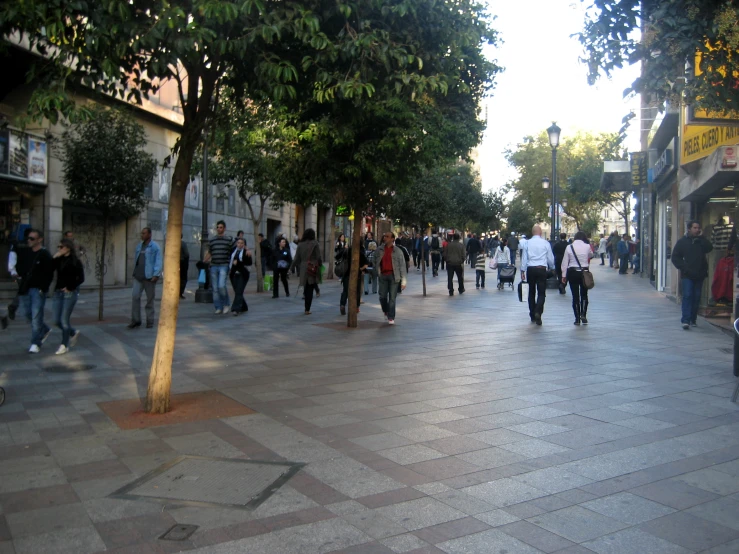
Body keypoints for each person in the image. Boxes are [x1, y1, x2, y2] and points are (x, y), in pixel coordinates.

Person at [16, 229, 54, 352]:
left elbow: (50, 273)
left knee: (36, 317)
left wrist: (43, 288)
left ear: (39, 240)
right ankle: (45, 329)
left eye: (32, 238)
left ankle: (35, 343)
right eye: (28, 238)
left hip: (37, 289)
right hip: (25, 288)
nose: (29, 240)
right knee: (26, 314)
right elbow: (21, 267)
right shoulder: (26, 253)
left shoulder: (45, 254)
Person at [672, 220, 713, 330]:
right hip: (687, 275)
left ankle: (693, 319)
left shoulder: (701, 241)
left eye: (698, 228)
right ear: (689, 229)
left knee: (696, 297)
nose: (697, 230)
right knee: (688, 295)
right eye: (695, 228)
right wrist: (684, 268)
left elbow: (709, 248)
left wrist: (702, 237)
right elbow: (675, 257)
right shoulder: (682, 242)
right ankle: (685, 320)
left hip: (699, 274)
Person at [51, 238, 85, 354]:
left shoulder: (75, 261)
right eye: (58, 247)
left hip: (69, 293)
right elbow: (49, 269)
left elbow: (81, 278)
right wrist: (54, 257)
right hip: (57, 292)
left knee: (64, 320)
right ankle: (72, 332)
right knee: (56, 320)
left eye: (61, 247)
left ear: (68, 248)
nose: (59, 249)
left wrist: (70, 287)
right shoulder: (58, 260)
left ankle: (64, 345)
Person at [128, 227, 162, 329]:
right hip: (138, 277)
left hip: (149, 277)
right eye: (141, 233)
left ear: (149, 235)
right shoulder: (139, 246)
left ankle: (150, 321)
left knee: (150, 300)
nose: (141, 235)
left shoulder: (155, 247)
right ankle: (136, 320)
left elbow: (158, 261)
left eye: (144, 233)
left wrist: (156, 274)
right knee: (135, 297)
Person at [520, 225, 554, 325]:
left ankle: (532, 314)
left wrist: (522, 271)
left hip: (531, 269)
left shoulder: (527, 243)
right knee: (541, 293)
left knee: (531, 292)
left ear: (532, 232)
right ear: (540, 232)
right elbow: (550, 258)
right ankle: (538, 311)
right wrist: (552, 267)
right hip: (542, 269)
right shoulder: (545, 243)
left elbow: (524, 258)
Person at [561, 231, 593, 325]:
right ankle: (583, 314)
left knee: (575, 296)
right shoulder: (587, 246)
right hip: (584, 272)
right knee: (584, 294)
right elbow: (591, 255)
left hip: (572, 272)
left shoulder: (569, 247)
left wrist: (563, 275)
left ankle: (577, 318)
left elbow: (565, 262)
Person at [375, 231, 407, 325]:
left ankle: (391, 316)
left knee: (392, 298)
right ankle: (386, 309)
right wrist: (377, 270)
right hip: (383, 276)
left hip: (394, 276)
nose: (385, 238)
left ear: (393, 239)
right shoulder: (379, 250)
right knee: (382, 296)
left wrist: (403, 281)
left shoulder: (398, 251)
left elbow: (402, 266)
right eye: (385, 236)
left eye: (388, 237)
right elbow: (374, 261)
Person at [290, 228, 322, 315]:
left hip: (303, 267)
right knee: (310, 288)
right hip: (312, 267)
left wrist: (291, 268)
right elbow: (319, 256)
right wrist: (320, 264)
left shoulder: (300, 244)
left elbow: (296, 258)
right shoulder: (315, 243)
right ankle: (307, 309)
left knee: (306, 286)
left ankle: (306, 307)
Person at [204, 221, 233, 314]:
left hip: (224, 265)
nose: (219, 229)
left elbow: (234, 249)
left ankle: (226, 304)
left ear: (224, 228)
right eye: (218, 227)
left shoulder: (228, 240)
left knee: (221, 286)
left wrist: (246, 249)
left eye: (221, 227)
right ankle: (218, 307)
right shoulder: (212, 240)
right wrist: (204, 260)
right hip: (214, 265)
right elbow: (210, 252)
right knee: (215, 288)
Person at [340, 246, 368, 315]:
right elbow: (366, 263)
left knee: (345, 291)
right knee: (357, 291)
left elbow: (338, 257)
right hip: (356, 275)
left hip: (346, 274)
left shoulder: (347, 251)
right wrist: (361, 269)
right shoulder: (360, 253)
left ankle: (342, 305)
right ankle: (356, 306)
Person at [229, 237, 252, 315]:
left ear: (244, 244)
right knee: (238, 291)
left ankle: (235, 309)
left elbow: (249, 263)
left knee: (239, 291)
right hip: (233, 274)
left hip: (243, 274)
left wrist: (238, 262)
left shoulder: (246, 252)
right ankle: (244, 307)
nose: (240, 244)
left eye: (242, 243)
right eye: (238, 243)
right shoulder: (233, 251)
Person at [179, 234, 190, 299]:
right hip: (182, 262)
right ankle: (180, 292)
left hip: (173, 263)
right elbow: (186, 254)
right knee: (183, 279)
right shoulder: (182, 244)